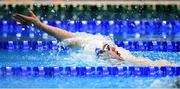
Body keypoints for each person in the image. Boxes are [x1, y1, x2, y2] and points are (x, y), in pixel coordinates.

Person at [12, 9, 175, 66]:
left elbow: (69, 38)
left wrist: (40, 26)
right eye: (108, 50)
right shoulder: (108, 59)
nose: (113, 49)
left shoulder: (127, 57)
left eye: (110, 47)